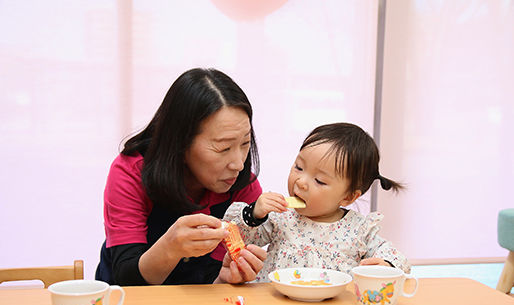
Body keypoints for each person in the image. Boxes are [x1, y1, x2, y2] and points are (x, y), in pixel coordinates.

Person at [95, 68, 267, 286]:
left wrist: (226, 278)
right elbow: (125, 278)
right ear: (181, 143)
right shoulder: (132, 172)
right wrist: (170, 247)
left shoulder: (243, 187)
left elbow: (210, 286)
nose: (238, 164)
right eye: (224, 148)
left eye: (245, 143)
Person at [223, 122, 410, 282]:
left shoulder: (359, 229)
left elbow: (395, 257)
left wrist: (386, 265)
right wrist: (254, 213)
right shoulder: (280, 216)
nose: (301, 182)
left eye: (319, 180)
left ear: (348, 197)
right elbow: (236, 239)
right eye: (299, 167)